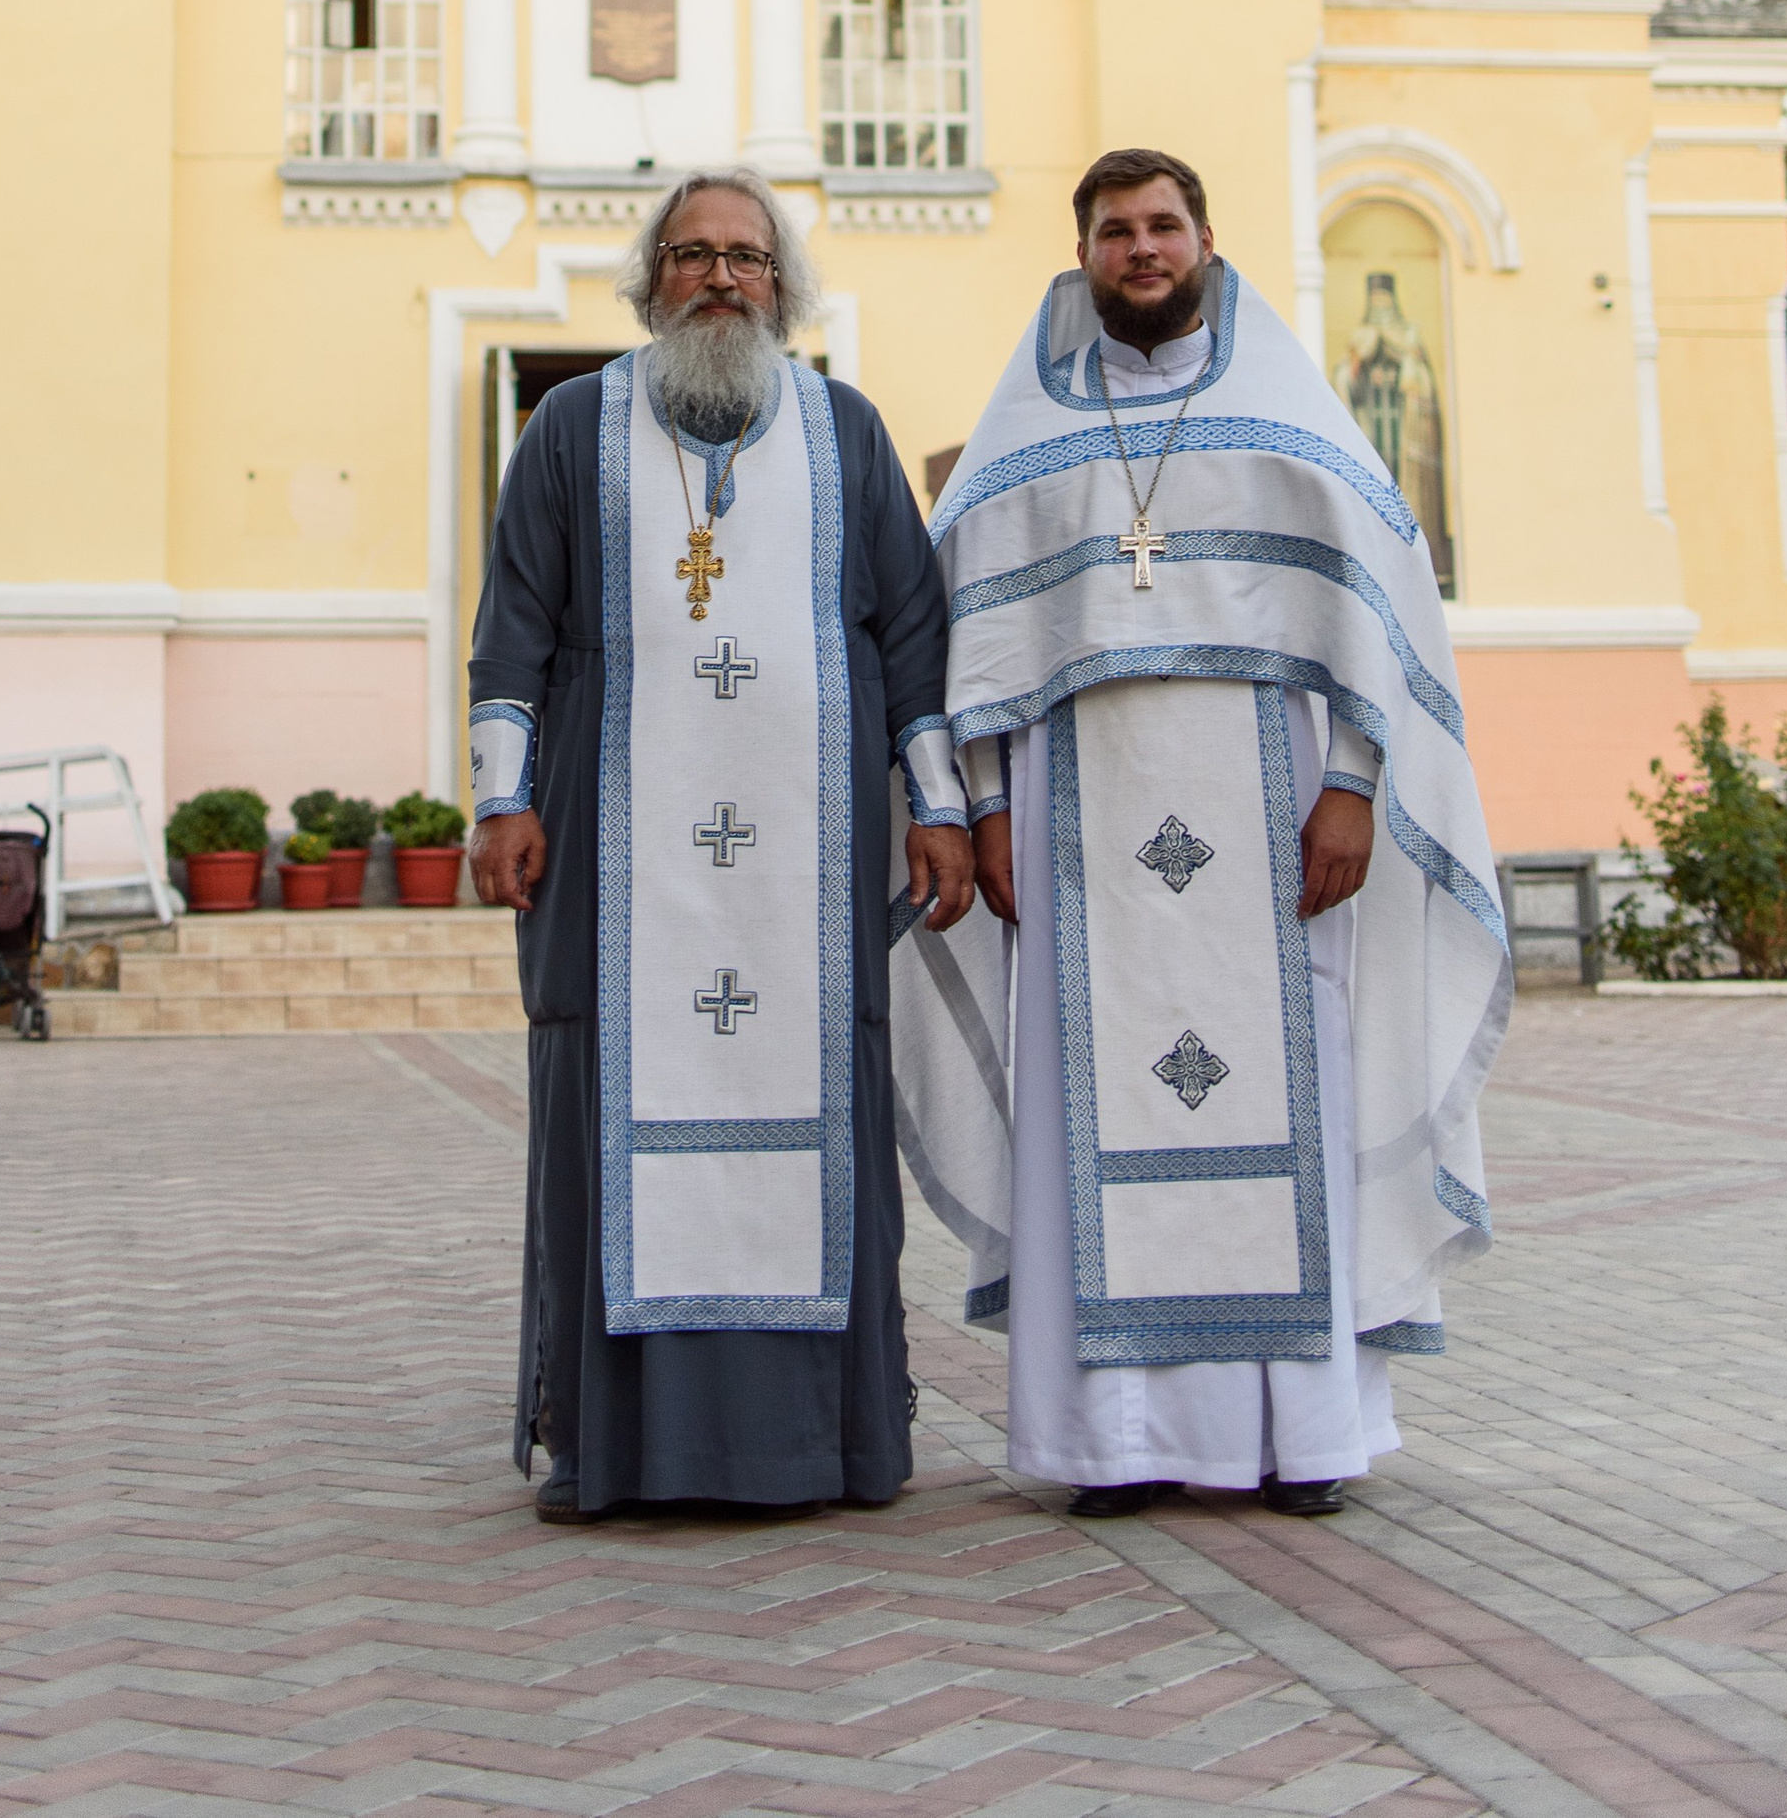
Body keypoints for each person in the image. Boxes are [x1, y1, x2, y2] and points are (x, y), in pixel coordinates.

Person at [893, 148, 1508, 1519]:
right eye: (1117, 228)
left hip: (1279, 828)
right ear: (1085, 254)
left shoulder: (1289, 416)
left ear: (1207, 238)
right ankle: (1117, 1438)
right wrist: (983, 810)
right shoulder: (1020, 443)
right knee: (1088, 1106)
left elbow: (1376, 611)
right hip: (1073, 840)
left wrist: (1354, 783)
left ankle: (1304, 1436)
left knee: (1294, 1090)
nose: (1143, 246)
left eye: (1164, 222)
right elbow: (966, 645)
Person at [469, 169, 976, 1525]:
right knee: (609, 1115)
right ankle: (621, 1445)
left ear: (783, 284)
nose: (719, 277)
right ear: (650, 279)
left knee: (821, 1119)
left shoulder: (847, 433)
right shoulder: (571, 428)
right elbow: (514, 620)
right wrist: (499, 798)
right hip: (614, 857)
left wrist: (939, 805)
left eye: (746, 256)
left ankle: (825, 1439)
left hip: (809, 876)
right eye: (690, 253)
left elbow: (914, 640)